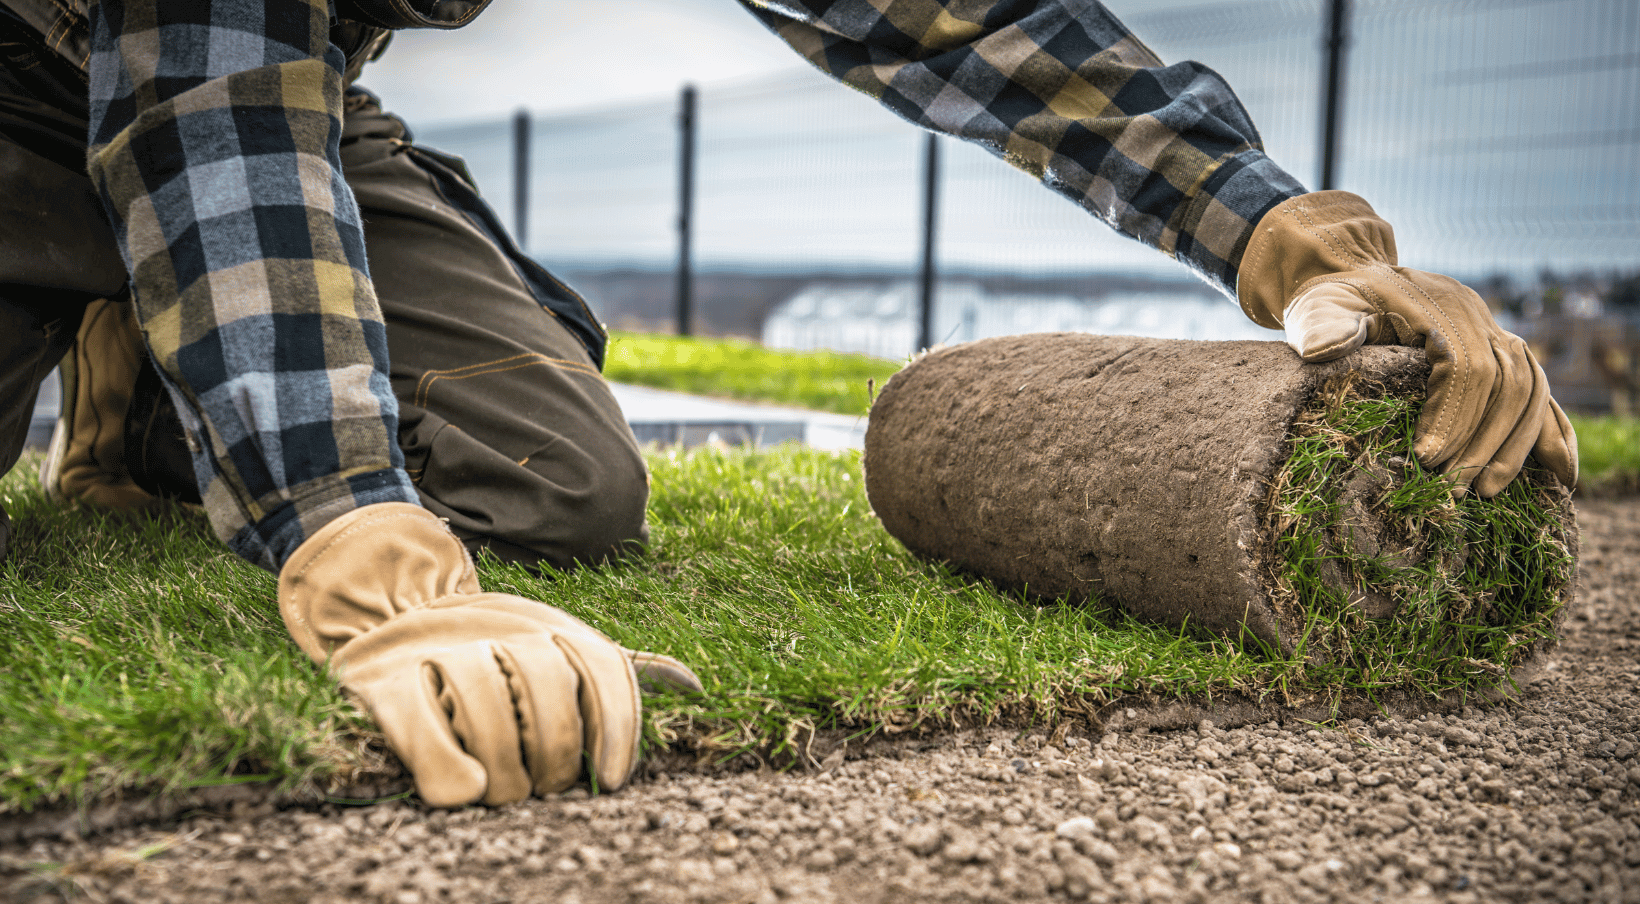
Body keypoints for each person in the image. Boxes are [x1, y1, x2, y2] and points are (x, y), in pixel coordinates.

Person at [0, 0, 1577, 807]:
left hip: (313, 103)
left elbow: (957, 17)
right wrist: (345, 522)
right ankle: (135, 330)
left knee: (556, 486)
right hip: (77, 83)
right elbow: (201, 89)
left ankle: (143, 389)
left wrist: (1276, 226)